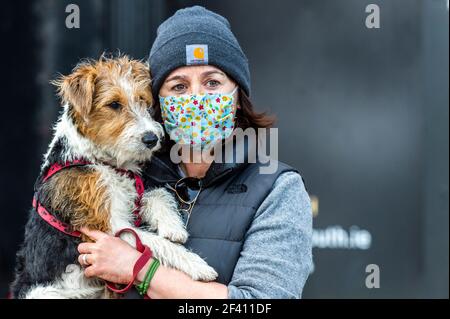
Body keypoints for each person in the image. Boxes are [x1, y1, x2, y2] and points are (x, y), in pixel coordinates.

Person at [77, 5, 313, 299]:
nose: (197, 98)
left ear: (237, 95)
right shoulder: (126, 180)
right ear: (156, 103)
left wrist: (140, 269)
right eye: (179, 86)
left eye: (212, 82)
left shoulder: (276, 190)